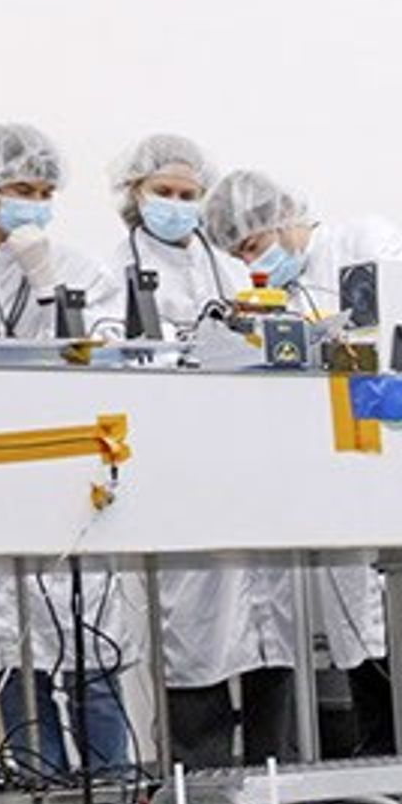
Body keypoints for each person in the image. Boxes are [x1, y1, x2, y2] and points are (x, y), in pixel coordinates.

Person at [202, 166, 402, 753]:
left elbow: (397, 346)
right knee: (374, 685)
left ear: (283, 218)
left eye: (256, 245)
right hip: (349, 507)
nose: (253, 263)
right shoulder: (276, 302)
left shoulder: (364, 242)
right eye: (240, 255)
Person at [0, 121, 133, 775]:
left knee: (89, 657)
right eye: (20, 187)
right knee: (15, 658)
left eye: (44, 190)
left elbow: (104, 351)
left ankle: (113, 801)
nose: (33, 202)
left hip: (67, 479)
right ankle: (39, 797)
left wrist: (46, 290)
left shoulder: (79, 270)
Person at [111, 133, 299, 768]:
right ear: (134, 193)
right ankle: (205, 795)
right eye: (163, 193)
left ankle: (279, 785)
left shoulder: (227, 263)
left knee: (270, 636)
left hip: (248, 467)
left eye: (189, 195)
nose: (177, 205)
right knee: (196, 638)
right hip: (178, 475)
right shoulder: (117, 272)